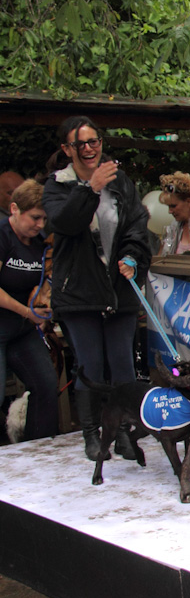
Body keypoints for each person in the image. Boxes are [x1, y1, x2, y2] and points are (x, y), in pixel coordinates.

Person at [43, 116, 152, 462]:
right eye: (81, 144)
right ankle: (91, 434)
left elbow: (137, 226)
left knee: (122, 366)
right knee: (89, 366)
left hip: (118, 289)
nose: (90, 149)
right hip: (80, 292)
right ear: (67, 150)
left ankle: (122, 432)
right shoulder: (57, 186)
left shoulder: (121, 183)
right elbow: (65, 223)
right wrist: (89, 188)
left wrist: (133, 257)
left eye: (95, 142)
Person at [0, 180, 59, 440]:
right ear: (14, 209)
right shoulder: (2, 236)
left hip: (21, 329)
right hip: (7, 321)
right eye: (35, 217)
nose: (40, 225)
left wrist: (44, 306)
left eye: (44, 218)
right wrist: (27, 312)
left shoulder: (40, 244)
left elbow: (42, 282)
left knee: (45, 384)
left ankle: (39, 447)